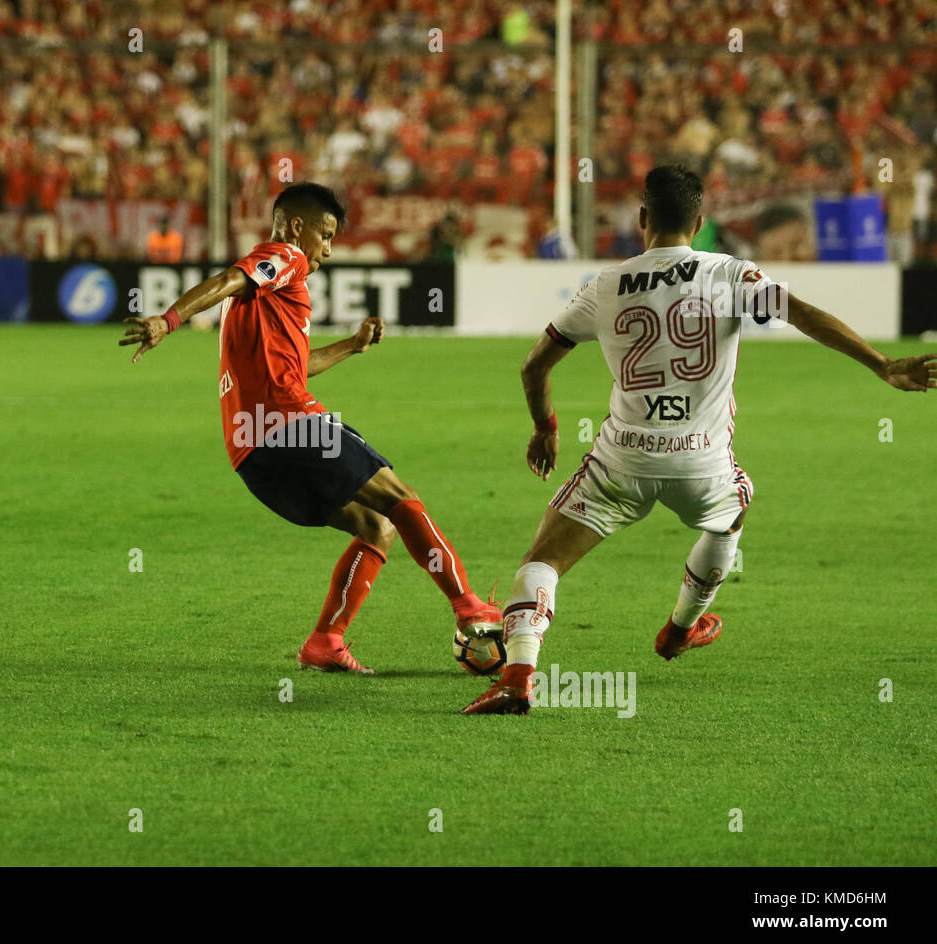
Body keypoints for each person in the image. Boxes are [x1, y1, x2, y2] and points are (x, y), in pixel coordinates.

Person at [465, 165, 935, 715]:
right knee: (731, 509)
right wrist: (880, 364)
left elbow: (533, 367)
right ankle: (680, 628)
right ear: (701, 221)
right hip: (702, 462)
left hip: (623, 461)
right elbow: (802, 313)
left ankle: (519, 675)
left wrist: (545, 429)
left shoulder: (605, 285)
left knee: (540, 564)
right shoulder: (730, 274)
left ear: (642, 218)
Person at [120, 182, 502, 673]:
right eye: (325, 234)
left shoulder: (266, 297)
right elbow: (228, 279)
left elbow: (293, 367)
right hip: (291, 424)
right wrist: (169, 321)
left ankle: (325, 640)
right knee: (403, 501)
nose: (328, 247)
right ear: (297, 227)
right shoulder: (284, 256)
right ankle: (469, 606)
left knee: (375, 527)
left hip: (252, 453)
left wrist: (351, 345)